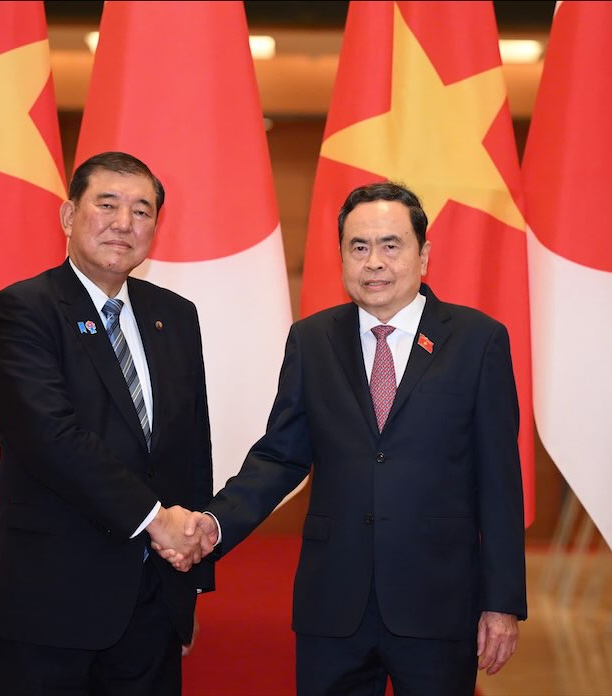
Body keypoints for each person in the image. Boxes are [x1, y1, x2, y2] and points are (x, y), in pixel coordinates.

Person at [163, 181, 527, 695]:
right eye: (359, 247)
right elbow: (280, 457)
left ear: (424, 255)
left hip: (438, 601)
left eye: (390, 245)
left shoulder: (477, 341)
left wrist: (502, 602)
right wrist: (215, 523)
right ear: (341, 258)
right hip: (334, 604)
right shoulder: (312, 340)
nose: (373, 262)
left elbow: (499, 481)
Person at [0, 151, 214, 695]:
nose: (124, 223)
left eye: (142, 211)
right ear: (68, 216)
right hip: (50, 602)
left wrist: (189, 589)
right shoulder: (24, 309)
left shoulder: (175, 315)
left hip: (153, 601)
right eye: (107, 205)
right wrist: (156, 520)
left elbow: (190, 450)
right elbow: (51, 438)